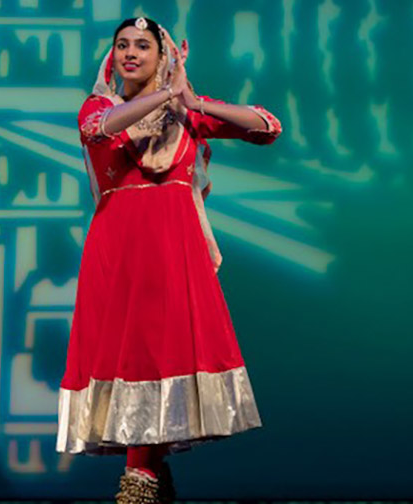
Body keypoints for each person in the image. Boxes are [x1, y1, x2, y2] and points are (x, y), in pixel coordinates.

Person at [55, 16, 282, 503]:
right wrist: (164, 96)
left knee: (167, 354)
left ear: (165, 57)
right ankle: (144, 478)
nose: (130, 53)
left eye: (143, 46)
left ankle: (145, 480)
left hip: (174, 249)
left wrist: (192, 102)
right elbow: (98, 130)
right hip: (121, 248)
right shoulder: (101, 105)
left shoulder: (184, 116)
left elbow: (266, 126)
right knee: (132, 354)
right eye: (122, 45)